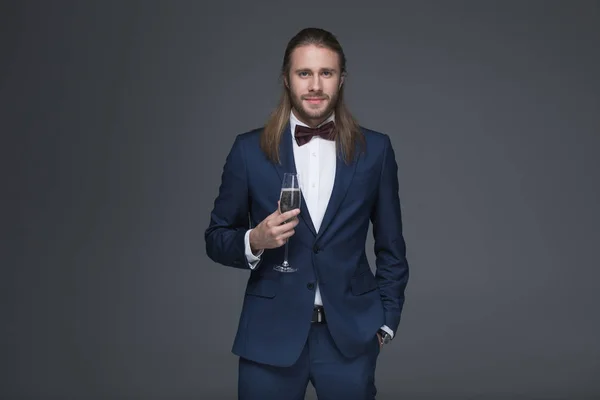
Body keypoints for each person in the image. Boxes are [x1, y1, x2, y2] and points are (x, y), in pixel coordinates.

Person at [205, 27, 410, 400]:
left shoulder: (376, 150)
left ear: (341, 80)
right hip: (269, 336)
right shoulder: (248, 151)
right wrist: (255, 240)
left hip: (350, 338)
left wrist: (385, 323)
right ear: (286, 79)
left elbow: (392, 248)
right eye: (305, 73)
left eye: (326, 73)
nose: (315, 85)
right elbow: (216, 238)